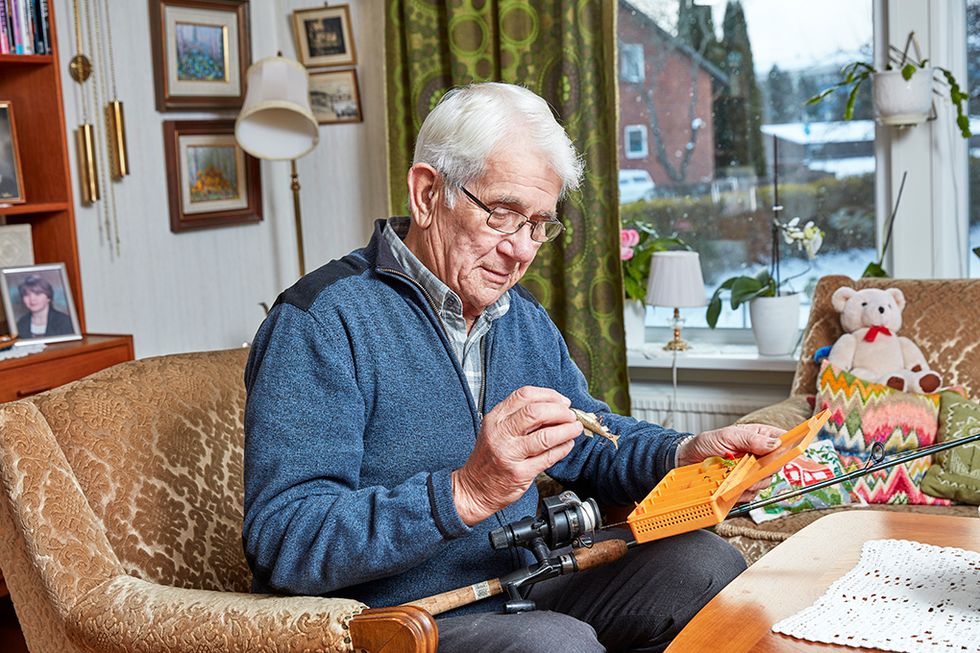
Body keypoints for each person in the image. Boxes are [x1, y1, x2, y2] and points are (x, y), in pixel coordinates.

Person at [243, 82, 783, 652]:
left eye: (537, 225)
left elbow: (588, 435)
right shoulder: (321, 321)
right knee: (553, 645)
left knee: (704, 565)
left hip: (522, 585)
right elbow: (285, 538)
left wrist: (686, 454)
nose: (522, 250)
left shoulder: (517, 315)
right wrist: (465, 493)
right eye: (502, 215)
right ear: (427, 194)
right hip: (401, 621)